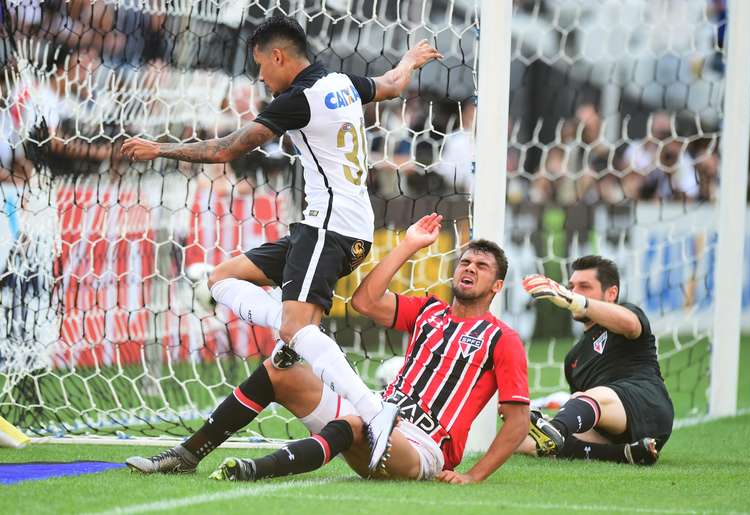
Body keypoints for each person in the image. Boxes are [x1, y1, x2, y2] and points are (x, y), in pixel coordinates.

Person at [121, 14, 442, 471]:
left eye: (261, 66)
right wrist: (410, 59)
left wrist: (160, 149)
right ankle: (201, 442)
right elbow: (390, 83)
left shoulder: (300, 99)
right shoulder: (339, 83)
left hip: (328, 229)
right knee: (222, 278)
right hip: (334, 227)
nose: (260, 77)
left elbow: (227, 149)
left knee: (291, 334)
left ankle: (374, 410)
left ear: (278, 56)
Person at [203, 213, 530, 484]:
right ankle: (187, 453)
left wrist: (474, 476)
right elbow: (364, 301)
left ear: (497, 286)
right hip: (378, 415)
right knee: (281, 373)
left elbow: (517, 422)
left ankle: (253, 469)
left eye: (481, 266)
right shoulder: (428, 311)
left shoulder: (502, 338)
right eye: (465, 262)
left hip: (421, 447)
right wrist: (409, 244)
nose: (470, 268)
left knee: (359, 424)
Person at [518, 256, 674, 465]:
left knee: (588, 399)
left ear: (611, 293)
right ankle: (628, 453)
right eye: (571, 287)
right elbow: (583, 417)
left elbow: (630, 325)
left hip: (649, 407)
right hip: (613, 428)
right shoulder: (573, 359)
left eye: (585, 286)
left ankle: (556, 429)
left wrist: (574, 301)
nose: (574, 291)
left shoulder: (627, 314)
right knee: (522, 441)